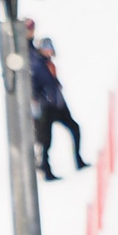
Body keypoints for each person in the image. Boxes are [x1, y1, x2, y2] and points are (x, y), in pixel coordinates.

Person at [30, 36, 88, 180]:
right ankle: (46, 170)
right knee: (45, 140)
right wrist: (44, 97)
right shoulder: (36, 65)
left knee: (74, 128)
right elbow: (33, 89)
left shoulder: (48, 64)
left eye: (50, 48)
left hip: (58, 104)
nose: (49, 51)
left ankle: (78, 160)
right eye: (46, 48)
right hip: (46, 107)